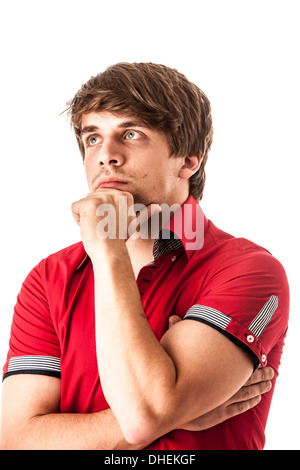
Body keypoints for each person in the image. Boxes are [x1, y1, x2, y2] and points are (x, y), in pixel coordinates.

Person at [0, 63, 289, 450]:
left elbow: (144, 416)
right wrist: (175, 412)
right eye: (92, 138)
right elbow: (16, 439)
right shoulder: (49, 278)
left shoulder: (248, 269)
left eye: (131, 134)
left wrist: (107, 251)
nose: (106, 156)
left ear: (189, 158)